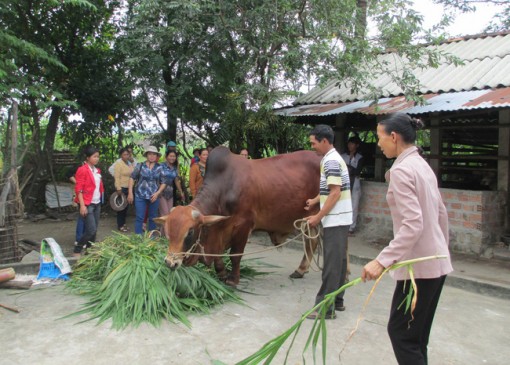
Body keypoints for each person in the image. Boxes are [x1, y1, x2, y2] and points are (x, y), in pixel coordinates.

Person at [361, 113, 453, 365]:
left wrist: (382, 260)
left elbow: (413, 224)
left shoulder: (402, 171)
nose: (378, 144)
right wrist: (442, 251)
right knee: (416, 337)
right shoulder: (422, 165)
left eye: (380, 137)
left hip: (418, 268)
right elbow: (440, 213)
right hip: (435, 263)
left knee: (401, 334)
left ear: (393, 136)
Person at [304, 124, 352, 320]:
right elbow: (332, 189)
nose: (313, 146)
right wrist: (315, 200)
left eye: (314, 143)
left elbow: (335, 192)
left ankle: (325, 308)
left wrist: (318, 216)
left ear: (324, 141)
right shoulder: (332, 158)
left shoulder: (330, 161)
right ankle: (338, 301)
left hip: (336, 219)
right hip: (341, 217)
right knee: (339, 262)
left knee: (331, 264)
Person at [128, 146, 167, 235]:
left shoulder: (159, 167)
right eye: (150, 154)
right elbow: (132, 178)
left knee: (152, 218)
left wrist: (158, 193)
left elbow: (164, 182)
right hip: (140, 195)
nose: (152, 156)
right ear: (146, 155)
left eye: (154, 154)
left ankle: (151, 238)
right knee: (139, 217)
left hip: (154, 196)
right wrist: (130, 193)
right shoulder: (140, 165)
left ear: (156, 156)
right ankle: (138, 237)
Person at [73, 146, 104, 257]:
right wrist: (82, 205)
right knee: (91, 230)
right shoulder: (82, 170)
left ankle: (90, 251)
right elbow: (79, 189)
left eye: (98, 157)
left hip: (96, 202)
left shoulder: (97, 170)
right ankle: (77, 249)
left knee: (94, 231)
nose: (97, 159)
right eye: (94, 156)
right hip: (87, 203)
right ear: (88, 157)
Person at [341, 136, 363, 235]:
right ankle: (342, 225)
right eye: (349, 143)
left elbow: (357, 171)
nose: (350, 145)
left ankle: (351, 227)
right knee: (342, 204)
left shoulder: (359, 157)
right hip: (343, 182)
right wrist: (350, 168)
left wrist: (348, 168)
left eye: (352, 143)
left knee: (354, 205)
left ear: (357, 145)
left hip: (355, 183)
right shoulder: (342, 156)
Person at [160, 150, 185, 236]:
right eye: (170, 156)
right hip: (161, 193)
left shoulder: (174, 167)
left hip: (170, 193)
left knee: (169, 214)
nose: (172, 158)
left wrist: (181, 192)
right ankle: (166, 235)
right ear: (166, 156)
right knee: (165, 213)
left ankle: (163, 233)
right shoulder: (161, 166)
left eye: (174, 156)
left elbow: (176, 180)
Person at [113, 147, 134, 232]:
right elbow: (116, 177)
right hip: (122, 187)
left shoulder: (129, 163)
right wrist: (118, 188)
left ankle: (123, 223)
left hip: (129, 187)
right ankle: (120, 225)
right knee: (121, 208)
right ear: (121, 155)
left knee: (126, 207)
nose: (126, 156)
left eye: (127, 154)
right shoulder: (119, 164)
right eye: (124, 154)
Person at [67, 164, 85, 246]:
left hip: (89, 195)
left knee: (86, 218)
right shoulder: (80, 167)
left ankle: (84, 238)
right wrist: (77, 183)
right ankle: (79, 239)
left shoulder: (93, 169)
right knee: (82, 217)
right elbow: (68, 174)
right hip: (81, 194)